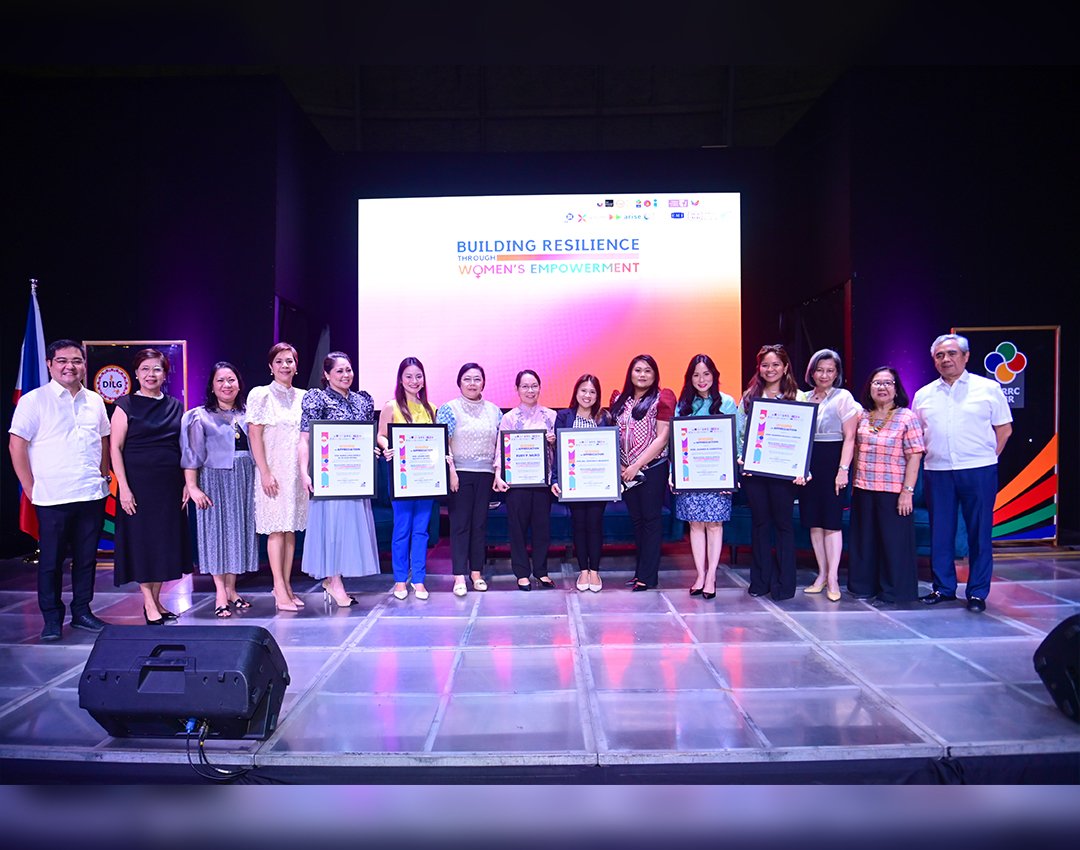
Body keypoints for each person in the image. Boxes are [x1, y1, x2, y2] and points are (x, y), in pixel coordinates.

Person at [9, 339, 111, 641]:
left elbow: (103, 439)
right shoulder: (34, 400)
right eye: (63, 361)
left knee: (86, 559)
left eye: (77, 360)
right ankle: (52, 618)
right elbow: (17, 445)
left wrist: (103, 474)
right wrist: (29, 487)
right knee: (51, 561)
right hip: (52, 496)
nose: (70, 366)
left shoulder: (94, 400)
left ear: (84, 365)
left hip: (91, 493)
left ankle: (82, 611)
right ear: (50, 364)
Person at [913, 333, 1012, 613]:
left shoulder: (988, 388)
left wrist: (988, 457)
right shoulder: (923, 394)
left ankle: (977, 592)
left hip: (978, 470)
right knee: (941, 531)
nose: (946, 359)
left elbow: (1004, 429)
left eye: (952, 353)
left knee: (979, 531)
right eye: (940, 355)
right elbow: (917, 435)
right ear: (934, 361)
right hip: (938, 471)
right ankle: (943, 588)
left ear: (966, 357)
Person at [109, 348, 192, 624]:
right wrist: (123, 488)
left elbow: (183, 447)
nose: (151, 374)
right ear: (136, 373)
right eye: (145, 369)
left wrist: (186, 482)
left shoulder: (175, 406)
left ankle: (156, 602)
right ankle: (148, 602)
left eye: (157, 369)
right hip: (138, 486)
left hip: (169, 486)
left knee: (162, 544)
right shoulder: (125, 405)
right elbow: (115, 448)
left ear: (165, 374)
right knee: (143, 543)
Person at [298, 352, 381, 606]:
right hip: (329, 478)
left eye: (348, 370)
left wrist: (372, 449)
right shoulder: (317, 399)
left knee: (349, 529)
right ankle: (333, 581)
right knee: (332, 528)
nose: (346, 375)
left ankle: (335, 581)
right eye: (339, 371)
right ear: (326, 374)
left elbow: (365, 437)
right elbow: (305, 439)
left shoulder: (362, 400)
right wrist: (303, 471)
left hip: (355, 477)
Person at [181, 362, 258, 618]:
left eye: (231, 380)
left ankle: (232, 589)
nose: (227, 385)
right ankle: (220, 593)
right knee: (215, 535)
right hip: (214, 479)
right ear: (212, 386)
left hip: (245, 478)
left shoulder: (249, 414)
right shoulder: (198, 416)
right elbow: (191, 454)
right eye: (221, 380)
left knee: (237, 533)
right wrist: (192, 486)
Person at [849, 367, 925, 604]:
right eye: (877, 383)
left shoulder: (907, 417)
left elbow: (915, 455)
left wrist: (907, 492)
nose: (882, 387)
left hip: (893, 490)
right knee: (864, 543)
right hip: (863, 488)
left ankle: (895, 592)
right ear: (869, 388)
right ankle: (864, 587)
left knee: (894, 544)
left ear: (896, 388)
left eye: (887, 383)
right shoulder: (862, 416)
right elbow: (855, 450)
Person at [735, 344, 803, 600]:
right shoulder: (749, 397)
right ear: (759, 368)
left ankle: (785, 584)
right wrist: (742, 459)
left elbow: (805, 437)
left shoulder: (798, 397)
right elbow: (740, 434)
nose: (770, 369)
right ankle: (760, 581)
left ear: (785, 367)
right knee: (760, 524)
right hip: (755, 472)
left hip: (785, 473)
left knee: (784, 525)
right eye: (765, 365)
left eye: (775, 364)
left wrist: (802, 467)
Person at [247, 342, 308, 612]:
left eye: (290, 361)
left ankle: (287, 585)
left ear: (296, 365)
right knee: (276, 530)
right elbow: (254, 435)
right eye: (280, 361)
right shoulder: (260, 394)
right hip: (272, 471)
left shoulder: (304, 397)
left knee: (290, 529)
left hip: (295, 473)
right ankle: (278, 588)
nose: (285, 366)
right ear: (271, 366)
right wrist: (265, 472)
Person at [797, 349, 860, 601]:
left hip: (834, 462)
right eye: (819, 370)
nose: (824, 375)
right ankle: (821, 575)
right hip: (809, 463)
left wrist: (843, 470)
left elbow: (850, 437)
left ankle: (833, 578)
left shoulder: (843, 397)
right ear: (811, 372)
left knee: (832, 523)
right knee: (814, 521)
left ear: (837, 373)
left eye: (830, 371)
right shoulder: (803, 397)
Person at [673, 354, 737, 600]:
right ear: (690, 378)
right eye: (696, 375)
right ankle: (700, 574)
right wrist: (674, 474)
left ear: (714, 376)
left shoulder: (727, 403)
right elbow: (676, 443)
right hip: (691, 476)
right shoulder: (683, 405)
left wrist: (731, 476)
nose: (702, 379)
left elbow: (734, 441)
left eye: (706, 374)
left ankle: (711, 576)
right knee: (695, 524)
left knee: (714, 524)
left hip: (718, 476)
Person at [610, 354, 677, 592]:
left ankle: (648, 576)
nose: (642, 375)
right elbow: (612, 434)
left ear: (655, 374)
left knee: (651, 520)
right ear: (630, 373)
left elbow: (662, 438)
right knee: (637, 521)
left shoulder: (662, 398)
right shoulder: (620, 399)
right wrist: (620, 466)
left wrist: (636, 466)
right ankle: (641, 572)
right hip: (625, 471)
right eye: (638, 370)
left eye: (648, 370)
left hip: (651, 470)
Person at [436, 363, 502, 597]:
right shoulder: (449, 409)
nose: (472, 383)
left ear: (483, 382)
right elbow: (443, 443)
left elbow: (500, 446)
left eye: (477, 379)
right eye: (467, 379)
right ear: (459, 382)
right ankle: (459, 576)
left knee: (479, 525)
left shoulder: (494, 411)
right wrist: (451, 471)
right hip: (460, 474)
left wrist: (497, 472)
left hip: (485, 474)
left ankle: (476, 573)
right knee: (460, 525)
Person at [378, 356, 437, 601]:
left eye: (418, 376)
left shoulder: (431, 408)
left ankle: (419, 580)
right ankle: (400, 579)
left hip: (425, 477)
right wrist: (386, 447)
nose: (414, 381)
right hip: (401, 477)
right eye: (409, 376)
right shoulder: (391, 407)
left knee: (421, 531)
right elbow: (381, 435)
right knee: (402, 528)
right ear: (401, 380)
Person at [552, 374, 614, 593]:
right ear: (576, 392)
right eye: (583, 391)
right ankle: (583, 570)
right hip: (574, 483)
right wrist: (555, 479)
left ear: (597, 395)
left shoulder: (604, 417)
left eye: (592, 392)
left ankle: (594, 571)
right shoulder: (564, 417)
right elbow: (558, 452)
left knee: (595, 525)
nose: (587, 395)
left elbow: (610, 451)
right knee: (578, 525)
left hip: (598, 483)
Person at [497, 369, 557, 591]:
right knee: (517, 528)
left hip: (543, 482)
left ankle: (541, 571)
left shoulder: (551, 416)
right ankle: (522, 573)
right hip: (517, 483)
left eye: (534, 386)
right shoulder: (509, 418)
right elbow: (500, 449)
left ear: (540, 387)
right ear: (517, 389)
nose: (530, 390)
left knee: (542, 529)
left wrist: (554, 442)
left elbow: (562, 450)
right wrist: (498, 474)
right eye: (525, 386)